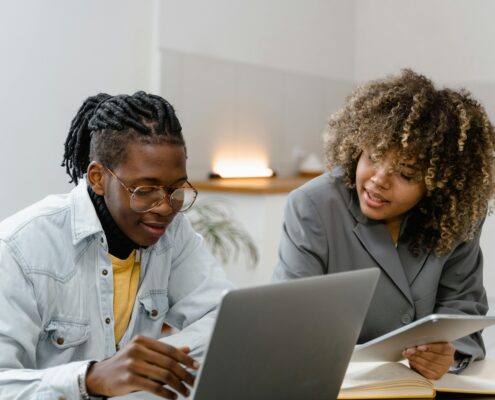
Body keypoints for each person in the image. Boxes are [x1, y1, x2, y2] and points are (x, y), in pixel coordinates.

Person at [0, 92, 234, 399]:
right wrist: (90, 378)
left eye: (176, 189)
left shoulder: (173, 233)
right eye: (145, 189)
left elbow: (222, 318)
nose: (165, 207)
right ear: (97, 178)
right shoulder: (20, 248)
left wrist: (149, 362)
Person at [273, 69, 495, 380]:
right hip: (337, 381)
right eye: (374, 156)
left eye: (405, 174)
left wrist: (449, 352)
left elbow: (463, 308)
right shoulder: (314, 205)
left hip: (422, 386)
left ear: (439, 186)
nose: (379, 180)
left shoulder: (456, 216)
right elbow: (289, 320)